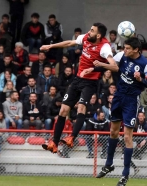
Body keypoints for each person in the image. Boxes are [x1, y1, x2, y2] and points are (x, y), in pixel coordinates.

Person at [40, 22, 117, 155]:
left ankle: (72, 138)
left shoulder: (104, 47)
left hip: (90, 82)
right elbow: (69, 43)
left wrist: (97, 66)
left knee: (81, 107)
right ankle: (54, 142)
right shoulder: (86, 37)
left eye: (92, 30)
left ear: (98, 35)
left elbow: (115, 66)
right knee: (63, 110)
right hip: (77, 79)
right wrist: (50, 46)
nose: (89, 31)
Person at [95, 37, 147, 186]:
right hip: (118, 97)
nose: (125, 50)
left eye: (128, 48)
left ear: (136, 50)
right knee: (113, 131)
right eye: (125, 48)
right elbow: (111, 66)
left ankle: (125, 174)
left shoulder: (145, 64)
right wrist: (93, 68)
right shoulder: (122, 56)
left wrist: (140, 79)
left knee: (127, 136)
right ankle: (109, 164)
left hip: (131, 100)